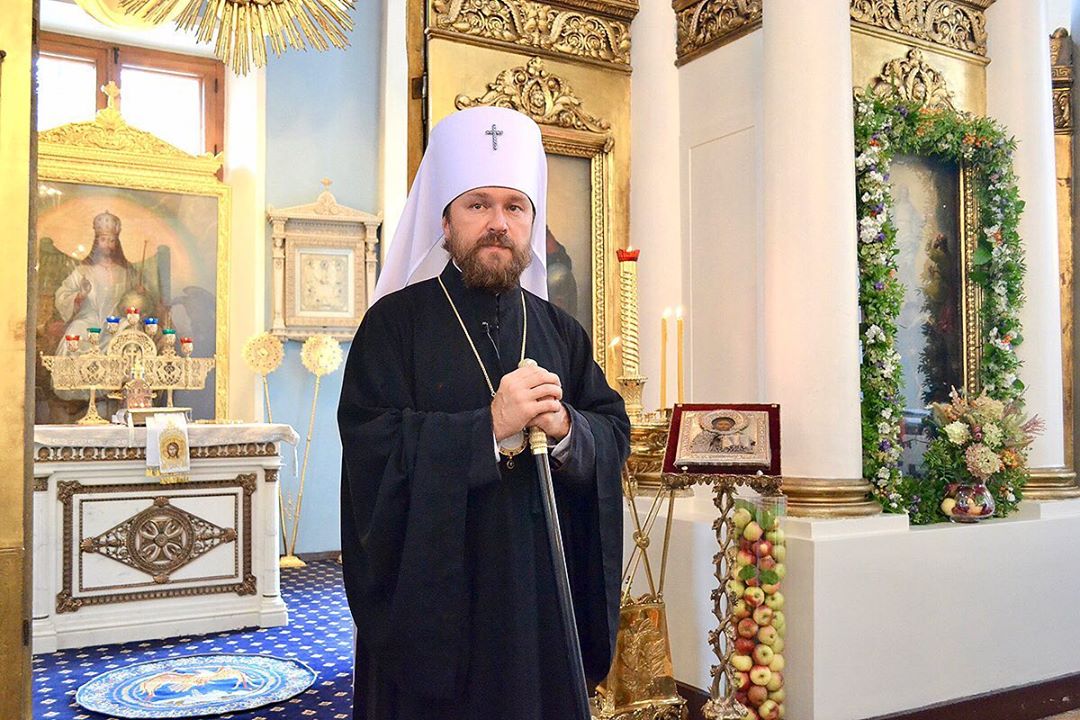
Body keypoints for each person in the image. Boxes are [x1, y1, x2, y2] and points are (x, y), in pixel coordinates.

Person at [337, 106, 630, 720]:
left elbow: (612, 428)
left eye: (514, 207)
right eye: (478, 205)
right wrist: (488, 429)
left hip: (538, 597)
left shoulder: (561, 330)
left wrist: (567, 429)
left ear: (531, 223)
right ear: (445, 222)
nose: (498, 223)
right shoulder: (393, 325)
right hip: (436, 603)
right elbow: (370, 447)